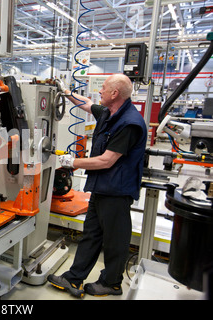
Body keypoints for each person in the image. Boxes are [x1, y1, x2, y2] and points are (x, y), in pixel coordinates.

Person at [48, 73, 147, 297]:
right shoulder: (109, 113)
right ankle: (73, 278)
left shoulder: (129, 122)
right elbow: (87, 104)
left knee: (114, 240)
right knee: (91, 234)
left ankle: (112, 283)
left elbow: (107, 160)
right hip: (102, 187)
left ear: (114, 93)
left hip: (117, 191)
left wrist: (69, 161)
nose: (99, 91)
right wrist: (65, 92)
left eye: (103, 88)